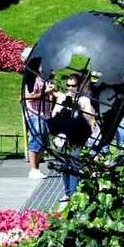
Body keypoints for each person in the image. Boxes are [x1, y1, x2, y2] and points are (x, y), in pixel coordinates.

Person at [51, 73, 97, 201]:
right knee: (64, 165)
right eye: (68, 85)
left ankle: (73, 193)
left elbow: (89, 118)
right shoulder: (62, 98)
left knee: (75, 164)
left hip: (77, 137)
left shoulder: (84, 100)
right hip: (62, 137)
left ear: (79, 86)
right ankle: (67, 192)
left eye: (74, 85)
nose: (70, 88)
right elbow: (55, 114)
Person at [23, 54, 52, 179]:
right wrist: (46, 92)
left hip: (45, 114)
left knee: (43, 142)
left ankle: (37, 168)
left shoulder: (43, 79)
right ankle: (33, 169)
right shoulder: (31, 78)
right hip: (35, 114)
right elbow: (29, 96)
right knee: (36, 140)